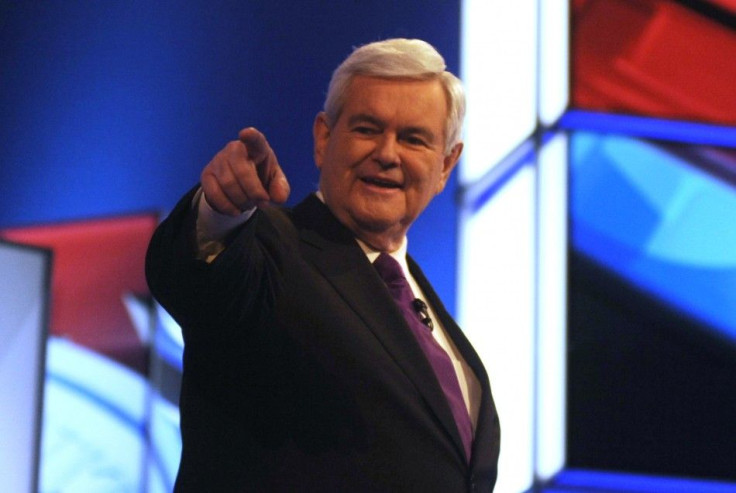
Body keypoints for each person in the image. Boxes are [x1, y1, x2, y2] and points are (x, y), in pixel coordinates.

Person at [146, 38, 500, 492]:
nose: (388, 153)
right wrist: (220, 210)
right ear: (323, 138)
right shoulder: (274, 250)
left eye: (413, 138)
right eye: (368, 129)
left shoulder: (432, 316)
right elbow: (195, 276)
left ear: (446, 165)